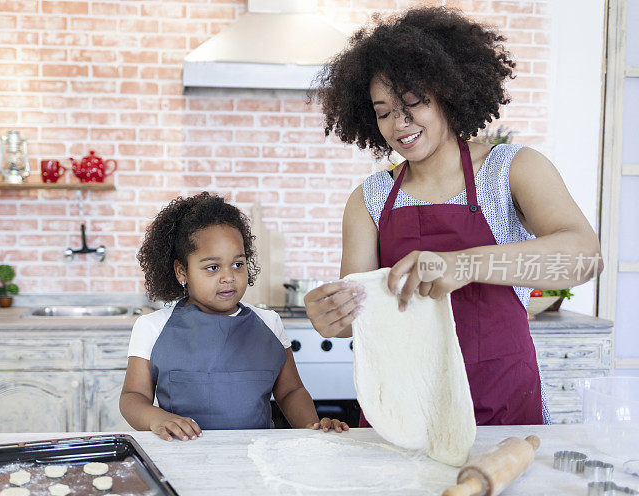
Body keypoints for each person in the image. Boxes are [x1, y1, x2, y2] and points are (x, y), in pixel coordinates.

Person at [304, 7, 602, 426]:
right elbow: (362, 316)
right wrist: (332, 319)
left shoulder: (511, 169)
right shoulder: (369, 199)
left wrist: (463, 263)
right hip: (405, 414)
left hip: (502, 410)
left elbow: (585, 258)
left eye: (412, 103)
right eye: (383, 111)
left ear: (449, 91)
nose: (398, 125)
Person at [120, 192, 349, 441]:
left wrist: (312, 426)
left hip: (257, 458)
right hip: (182, 455)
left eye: (238, 264)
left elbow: (291, 391)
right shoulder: (152, 327)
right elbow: (133, 397)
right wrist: (156, 418)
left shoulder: (269, 324)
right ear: (181, 271)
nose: (228, 276)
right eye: (212, 267)